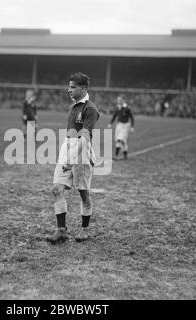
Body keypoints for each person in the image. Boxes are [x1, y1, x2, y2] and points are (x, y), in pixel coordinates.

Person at [46, 72, 99, 244]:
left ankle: (85, 230)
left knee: (83, 193)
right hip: (67, 149)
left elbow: (85, 137)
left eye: (73, 87)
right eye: (69, 86)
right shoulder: (72, 106)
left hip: (81, 153)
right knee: (56, 189)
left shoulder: (90, 109)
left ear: (83, 89)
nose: (69, 90)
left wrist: (72, 157)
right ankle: (61, 230)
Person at [108, 95, 135, 160]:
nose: (118, 101)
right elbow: (114, 116)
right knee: (122, 141)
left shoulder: (127, 108)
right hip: (119, 125)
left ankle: (116, 155)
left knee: (119, 139)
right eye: (118, 100)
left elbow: (132, 118)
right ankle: (125, 154)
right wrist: (110, 123)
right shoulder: (117, 107)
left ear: (123, 100)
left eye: (120, 100)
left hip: (125, 126)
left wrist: (132, 126)